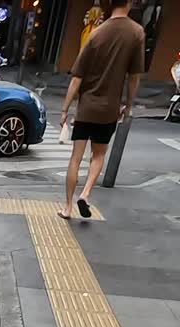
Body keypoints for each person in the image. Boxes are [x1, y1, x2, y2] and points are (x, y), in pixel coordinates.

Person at [59, 0, 144, 220]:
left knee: (76, 158)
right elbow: (134, 77)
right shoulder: (136, 33)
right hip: (109, 109)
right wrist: (130, 104)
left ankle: (67, 207)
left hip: (86, 107)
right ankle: (85, 194)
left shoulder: (96, 34)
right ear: (130, 3)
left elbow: (77, 77)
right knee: (98, 155)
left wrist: (64, 110)